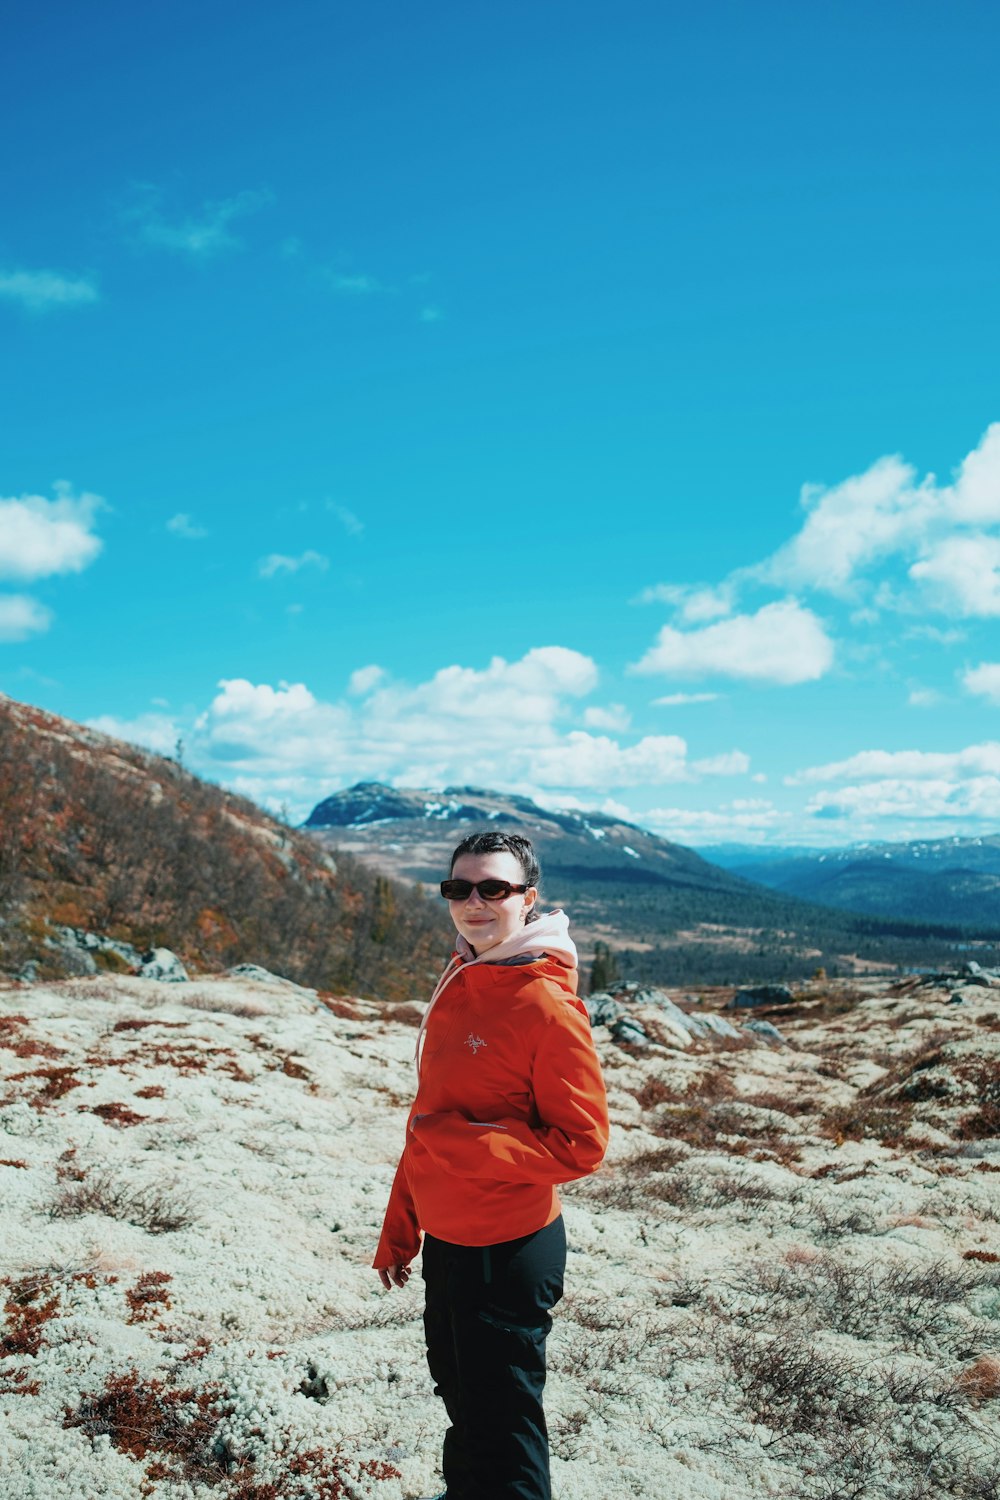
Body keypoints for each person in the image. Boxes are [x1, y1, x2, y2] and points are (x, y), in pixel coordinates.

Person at [373, 830, 609, 1500]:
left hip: (507, 1250)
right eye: (459, 888)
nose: (474, 902)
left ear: (527, 899)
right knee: (463, 1404)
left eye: (494, 888)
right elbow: (429, 1123)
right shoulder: (463, 974)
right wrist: (401, 1231)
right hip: (450, 1243)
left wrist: (465, 1144)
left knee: (504, 1430)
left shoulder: (544, 1004)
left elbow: (583, 1143)